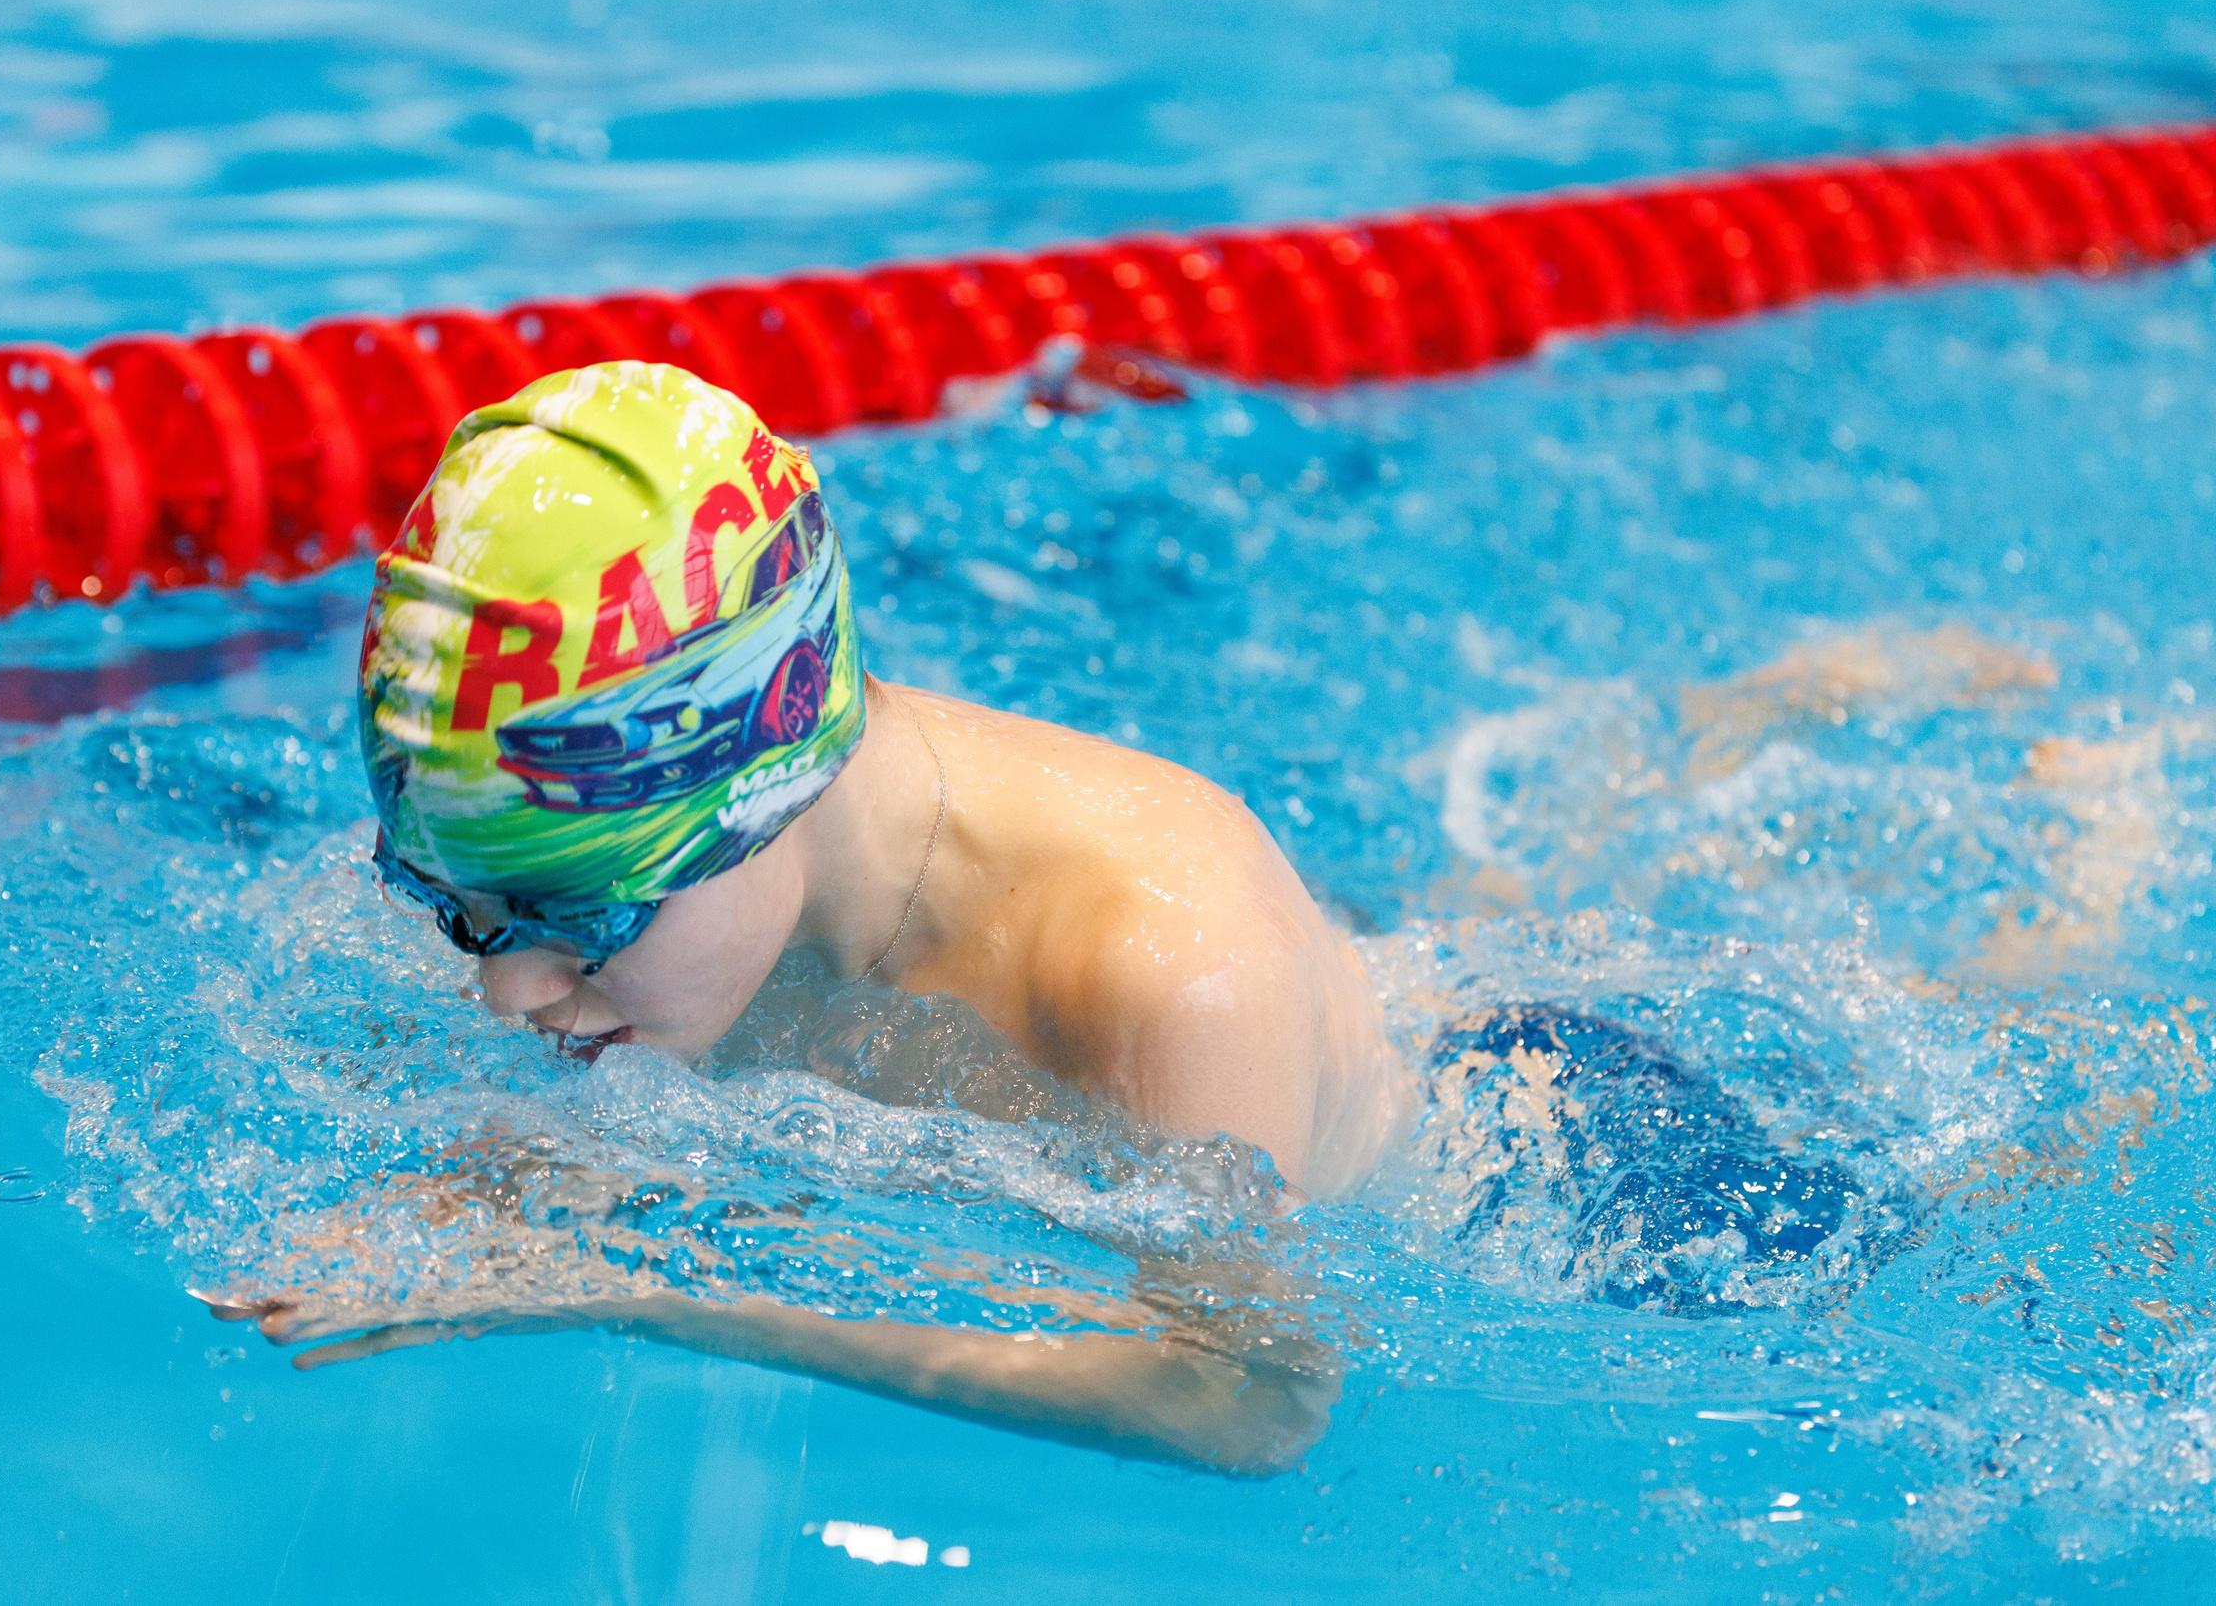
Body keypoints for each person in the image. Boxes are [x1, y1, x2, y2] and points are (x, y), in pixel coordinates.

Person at [211, 360, 1410, 1474]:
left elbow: (1248, 1399)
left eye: (580, 916)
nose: (506, 990)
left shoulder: (1173, 968)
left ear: (765, 803)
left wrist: (638, 1281)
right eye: (457, 911)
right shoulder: (716, 900)